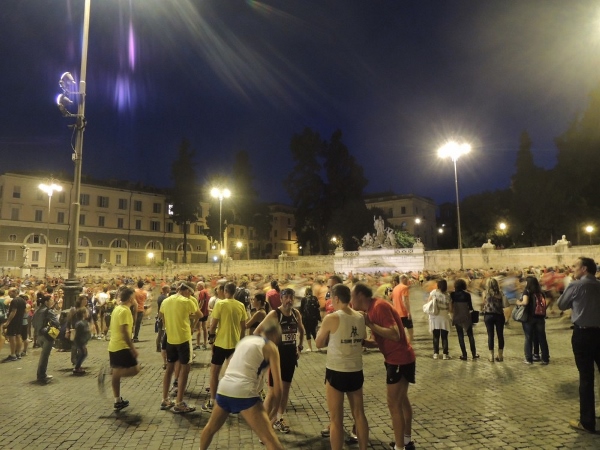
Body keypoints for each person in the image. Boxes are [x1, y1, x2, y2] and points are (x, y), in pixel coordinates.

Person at [199, 321, 284, 450]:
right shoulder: (271, 347)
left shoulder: (246, 340)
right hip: (244, 392)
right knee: (269, 439)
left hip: (224, 388)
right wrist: (275, 412)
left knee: (210, 428)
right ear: (276, 336)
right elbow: (278, 386)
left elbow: (229, 364)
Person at [351, 282, 416, 450]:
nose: (351, 301)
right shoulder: (372, 309)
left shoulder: (378, 307)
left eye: (352, 296)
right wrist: (364, 342)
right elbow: (378, 340)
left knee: (393, 404)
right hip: (398, 358)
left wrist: (369, 324)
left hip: (399, 359)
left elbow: (395, 334)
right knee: (402, 402)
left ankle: (400, 447)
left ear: (360, 295)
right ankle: (406, 440)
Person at [315, 284, 368, 450]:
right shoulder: (360, 317)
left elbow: (318, 343)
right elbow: (362, 338)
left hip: (336, 370)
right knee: (359, 414)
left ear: (336, 298)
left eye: (331, 297)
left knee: (336, 419)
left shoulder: (331, 318)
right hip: (355, 370)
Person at [557, 257, 600, 433]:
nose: (572, 269)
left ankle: (587, 421)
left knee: (586, 378)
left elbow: (561, 304)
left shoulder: (575, 286)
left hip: (583, 334)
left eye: (575, 266)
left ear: (583, 269)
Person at [254, 288, 305, 434]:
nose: (289, 300)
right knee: (272, 392)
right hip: (276, 358)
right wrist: (268, 347)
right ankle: (261, 426)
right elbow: (257, 331)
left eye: (291, 297)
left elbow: (301, 330)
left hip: (290, 357)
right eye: (286, 297)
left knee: (285, 389)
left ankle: (278, 418)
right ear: (281, 299)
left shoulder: (296, 314)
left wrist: (300, 346)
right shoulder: (275, 314)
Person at [203, 282, 248, 412]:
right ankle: (233, 400)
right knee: (233, 374)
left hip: (221, 343)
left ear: (225, 291)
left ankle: (213, 401)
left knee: (214, 373)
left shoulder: (220, 304)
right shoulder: (240, 306)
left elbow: (212, 326)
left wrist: (211, 341)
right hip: (235, 344)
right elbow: (243, 327)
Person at [160, 282, 202, 413]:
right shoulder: (187, 301)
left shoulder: (166, 301)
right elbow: (200, 315)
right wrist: (189, 317)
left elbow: (161, 316)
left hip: (170, 339)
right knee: (185, 370)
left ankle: (165, 399)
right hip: (183, 339)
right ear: (188, 291)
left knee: (169, 368)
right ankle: (179, 402)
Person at [99, 287, 140, 411]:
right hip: (122, 346)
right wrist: (132, 348)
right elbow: (125, 332)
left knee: (117, 373)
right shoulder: (125, 311)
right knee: (135, 369)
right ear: (130, 298)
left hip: (113, 345)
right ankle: (110, 373)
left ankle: (117, 400)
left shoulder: (117, 309)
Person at [515, 276, 549, 365]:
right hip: (540, 318)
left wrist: (519, 302)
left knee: (528, 338)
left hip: (529, 318)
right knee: (542, 338)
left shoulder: (527, 291)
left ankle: (529, 359)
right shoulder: (541, 292)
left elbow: (525, 302)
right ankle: (545, 358)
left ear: (528, 283)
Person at [449, 278, 479, 361]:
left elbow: (450, 305)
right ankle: (474, 354)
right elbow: (471, 307)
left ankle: (464, 355)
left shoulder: (452, 295)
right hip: (466, 316)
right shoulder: (467, 295)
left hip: (457, 316)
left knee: (460, 336)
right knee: (470, 335)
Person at [34, 294, 60, 383]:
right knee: (44, 357)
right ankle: (41, 375)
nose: (52, 302)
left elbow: (34, 323)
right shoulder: (48, 311)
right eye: (50, 301)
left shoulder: (37, 311)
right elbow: (57, 322)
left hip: (38, 335)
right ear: (46, 302)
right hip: (47, 335)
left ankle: (42, 374)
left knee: (43, 356)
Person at [482, 278, 508, 362]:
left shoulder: (485, 293)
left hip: (488, 316)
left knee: (490, 335)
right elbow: (505, 305)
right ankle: (500, 356)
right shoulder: (501, 293)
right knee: (500, 335)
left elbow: (484, 303)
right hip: (499, 316)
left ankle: (491, 356)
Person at [427, 279, 452, 360]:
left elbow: (429, 303)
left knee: (436, 336)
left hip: (435, 316)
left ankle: (436, 354)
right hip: (444, 316)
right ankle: (445, 354)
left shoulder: (434, 292)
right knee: (444, 337)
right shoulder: (448, 295)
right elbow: (450, 308)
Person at [2, 291, 26, 362]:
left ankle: (13, 354)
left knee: (12, 337)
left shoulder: (14, 301)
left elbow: (13, 311)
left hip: (13, 321)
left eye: (10, 292)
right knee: (18, 336)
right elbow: (24, 310)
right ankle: (18, 353)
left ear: (14, 292)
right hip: (20, 320)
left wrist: (8, 322)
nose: (9, 293)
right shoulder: (22, 300)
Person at [391, 275, 413, 345]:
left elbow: (393, 301)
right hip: (404, 313)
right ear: (403, 279)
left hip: (397, 313)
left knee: (400, 333)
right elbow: (404, 301)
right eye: (407, 279)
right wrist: (408, 312)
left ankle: (401, 347)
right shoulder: (404, 287)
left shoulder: (395, 288)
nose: (408, 281)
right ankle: (409, 347)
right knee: (410, 333)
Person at [299, 287, 320, 352]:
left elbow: (301, 309)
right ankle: (318, 347)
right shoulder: (315, 298)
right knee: (314, 332)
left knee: (308, 332)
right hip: (314, 318)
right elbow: (318, 307)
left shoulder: (303, 299)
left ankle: (310, 348)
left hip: (306, 318)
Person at [73, 307, 91, 375]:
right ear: (83, 314)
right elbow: (78, 334)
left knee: (84, 354)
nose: (88, 313)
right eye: (86, 312)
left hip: (83, 341)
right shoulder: (80, 323)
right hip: (80, 342)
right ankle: (77, 367)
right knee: (83, 354)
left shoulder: (84, 322)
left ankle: (78, 366)